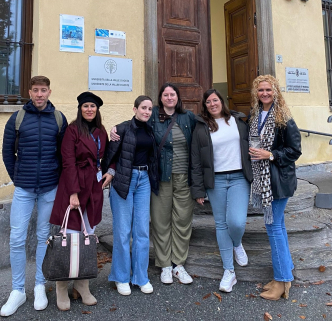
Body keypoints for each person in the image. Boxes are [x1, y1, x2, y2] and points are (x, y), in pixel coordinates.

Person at [110, 83, 196, 285]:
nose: (169, 98)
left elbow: (202, 137)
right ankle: (165, 264)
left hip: (183, 176)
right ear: (160, 98)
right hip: (159, 176)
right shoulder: (154, 117)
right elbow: (133, 125)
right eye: (165, 94)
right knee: (159, 221)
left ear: (177, 97)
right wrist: (116, 129)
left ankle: (178, 265)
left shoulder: (188, 117)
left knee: (182, 220)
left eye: (172, 94)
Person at [1, 76, 68, 317]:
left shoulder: (59, 119)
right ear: (29, 92)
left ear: (49, 92)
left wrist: (58, 179)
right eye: (35, 91)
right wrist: (18, 178)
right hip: (24, 189)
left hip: (50, 187)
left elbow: (64, 153)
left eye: (43, 90)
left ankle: (40, 285)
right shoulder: (17, 118)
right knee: (17, 238)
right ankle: (18, 290)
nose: (39, 95)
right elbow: (7, 152)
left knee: (43, 237)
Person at [49, 91, 113, 311]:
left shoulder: (101, 130)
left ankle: (82, 285)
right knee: (71, 237)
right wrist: (73, 193)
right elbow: (67, 161)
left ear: (97, 110)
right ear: (80, 108)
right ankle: (62, 287)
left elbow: (105, 157)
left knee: (88, 234)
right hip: (75, 185)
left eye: (92, 106)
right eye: (85, 106)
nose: (89, 109)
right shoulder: (73, 130)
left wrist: (108, 174)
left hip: (94, 186)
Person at [190, 89, 253, 292]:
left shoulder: (239, 122)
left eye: (215, 100)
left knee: (236, 221)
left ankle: (236, 243)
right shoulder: (201, 127)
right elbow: (196, 161)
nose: (212, 104)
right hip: (215, 180)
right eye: (208, 102)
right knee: (220, 224)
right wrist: (198, 190)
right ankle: (229, 271)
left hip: (238, 177)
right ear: (205, 106)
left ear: (222, 101)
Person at [248, 75, 301, 300]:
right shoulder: (255, 116)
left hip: (278, 181)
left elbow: (295, 150)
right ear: (256, 93)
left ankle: (281, 283)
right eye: (261, 90)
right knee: (278, 227)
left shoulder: (284, 118)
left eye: (268, 89)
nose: (265, 93)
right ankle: (285, 274)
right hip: (264, 180)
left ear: (275, 91)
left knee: (273, 228)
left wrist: (270, 155)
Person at [102, 95, 159, 296]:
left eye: (150, 109)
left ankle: (141, 277)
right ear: (134, 109)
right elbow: (110, 156)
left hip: (144, 180)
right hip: (124, 181)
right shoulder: (122, 128)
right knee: (123, 231)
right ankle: (121, 277)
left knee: (142, 231)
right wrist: (111, 172)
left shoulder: (150, 130)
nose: (146, 111)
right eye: (143, 108)